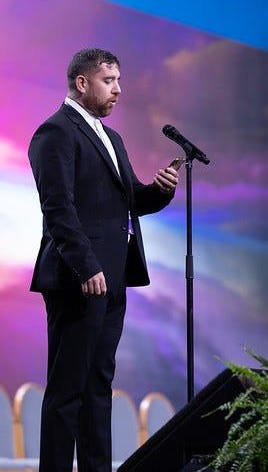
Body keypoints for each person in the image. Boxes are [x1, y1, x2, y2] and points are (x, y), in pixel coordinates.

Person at [28, 48, 179, 471]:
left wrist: (160, 190)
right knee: (67, 389)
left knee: (98, 385)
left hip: (113, 277)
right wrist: (86, 265)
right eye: (109, 81)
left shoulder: (111, 138)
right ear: (82, 82)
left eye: (118, 81)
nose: (118, 89)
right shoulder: (54, 132)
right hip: (80, 278)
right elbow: (58, 208)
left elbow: (130, 201)